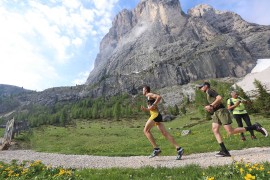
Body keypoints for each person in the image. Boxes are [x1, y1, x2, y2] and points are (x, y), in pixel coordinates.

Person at [198, 82, 268, 157]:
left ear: (206, 86)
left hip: (221, 111)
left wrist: (211, 105)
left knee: (230, 131)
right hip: (216, 113)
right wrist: (210, 107)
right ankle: (224, 151)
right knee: (215, 129)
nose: (200, 88)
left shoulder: (210, 91)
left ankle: (255, 127)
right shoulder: (207, 93)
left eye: (201, 87)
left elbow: (219, 98)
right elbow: (216, 102)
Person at [141, 85, 184, 160]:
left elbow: (159, 97)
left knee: (146, 131)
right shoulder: (148, 97)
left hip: (155, 115)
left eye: (143, 90)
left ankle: (156, 149)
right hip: (157, 115)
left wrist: (153, 105)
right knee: (165, 133)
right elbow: (152, 108)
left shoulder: (149, 94)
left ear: (146, 90)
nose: (142, 91)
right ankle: (179, 149)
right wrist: (146, 109)